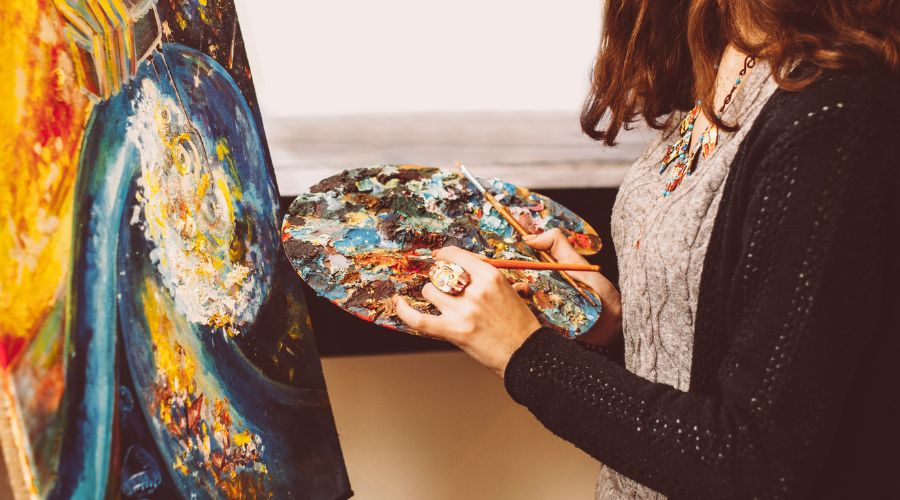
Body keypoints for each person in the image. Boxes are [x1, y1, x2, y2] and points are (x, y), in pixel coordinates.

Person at [392, 0, 900, 498]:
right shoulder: (729, 55)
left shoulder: (833, 114)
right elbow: (711, 351)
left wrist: (523, 352)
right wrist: (616, 325)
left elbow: (752, 463)